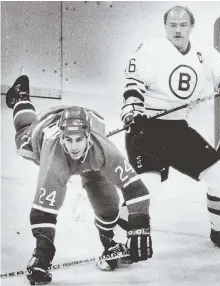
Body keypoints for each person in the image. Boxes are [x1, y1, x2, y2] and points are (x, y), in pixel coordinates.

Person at [120, 5, 220, 249]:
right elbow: (133, 85)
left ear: (191, 27)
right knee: (147, 186)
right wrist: (132, 109)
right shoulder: (150, 48)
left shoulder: (204, 52)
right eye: (172, 25)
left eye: (183, 25)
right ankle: (112, 233)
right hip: (145, 128)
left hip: (177, 129)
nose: (177, 30)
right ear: (165, 27)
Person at [6, 75, 153, 285]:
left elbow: (136, 189)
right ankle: (21, 97)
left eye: (79, 140)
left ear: (88, 137)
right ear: (62, 138)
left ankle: (109, 241)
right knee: (23, 135)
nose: (74, 147)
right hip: (46, 125)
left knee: (107, 202)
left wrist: (140, 225)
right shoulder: (53, 154)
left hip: (92, 152)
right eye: (68, 139)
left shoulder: (102, 148)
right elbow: (43, 210)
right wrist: (43, 250)